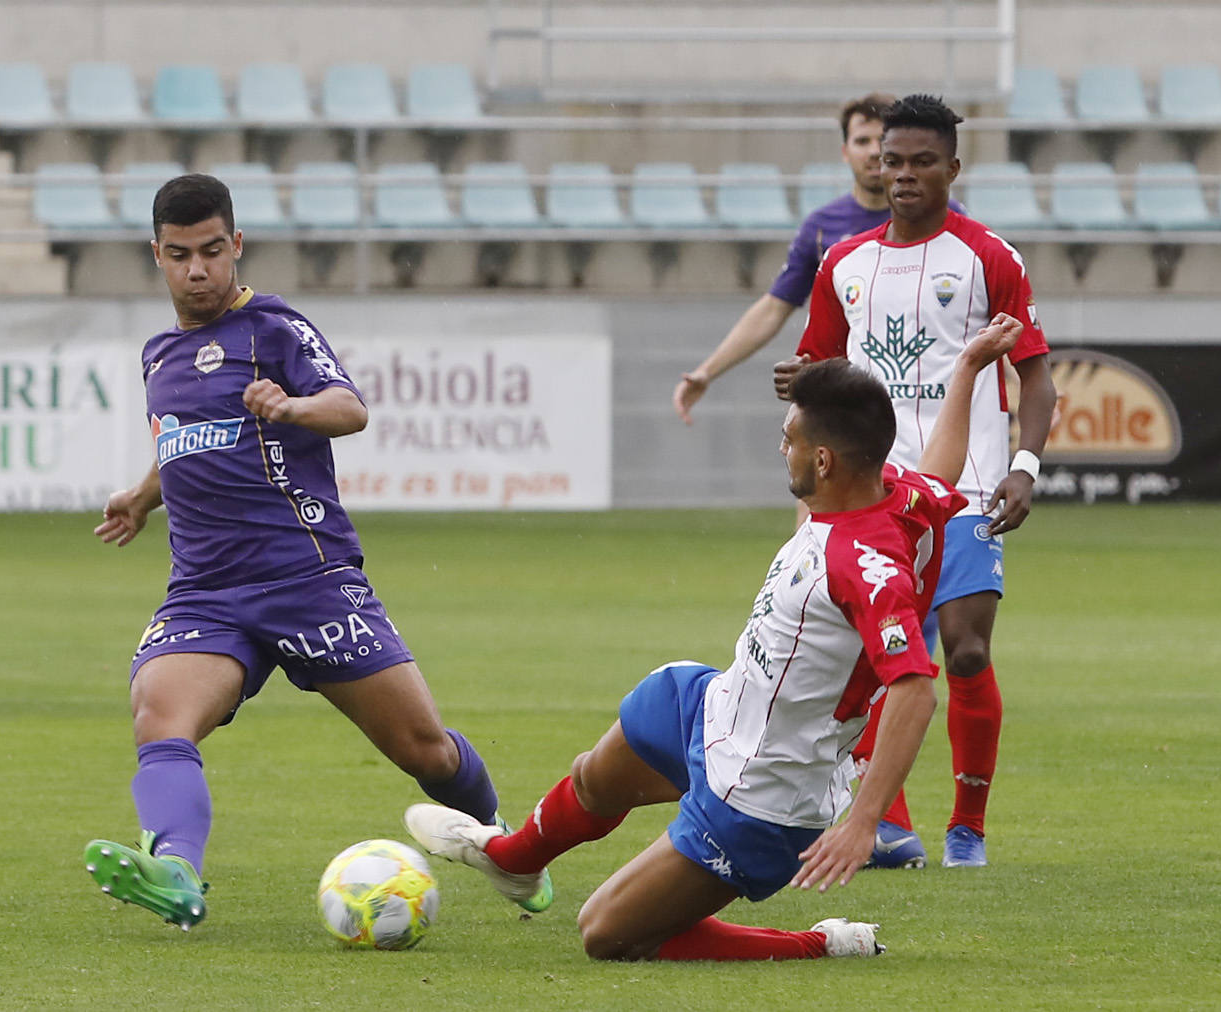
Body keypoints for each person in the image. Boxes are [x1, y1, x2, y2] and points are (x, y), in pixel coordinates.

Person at [404, 315, 1023, 962]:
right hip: (716, 706)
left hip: (764, 793)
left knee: (606, 933)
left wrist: (864, 823)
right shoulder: (900, 493)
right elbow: (943, 474)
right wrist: (967, 369)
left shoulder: (866, 568)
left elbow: (916, 689)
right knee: (599, 772)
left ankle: (818, 942)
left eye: (787, 439)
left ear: (823, 460)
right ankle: (511, 860)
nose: (779, 448)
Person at [82, 173, 550, 929]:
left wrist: (292, 406)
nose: (196, 270)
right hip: (206, 593)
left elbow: (350, 407)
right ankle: (174, 870)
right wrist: (143, 495)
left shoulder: (274, 329)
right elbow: (183, 440)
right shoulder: (159, 354)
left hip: (308, 580)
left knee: (425, 750)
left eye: (210, 251)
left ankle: (510, 848)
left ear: (236, 245)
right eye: (179, 255)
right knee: (159, 715)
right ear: (157, 255)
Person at [773, 94, 1058, 870]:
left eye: (920, 161)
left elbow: (1036, 378)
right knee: (871, 656)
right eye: (890, 160)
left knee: (963, 651)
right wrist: (799, 381)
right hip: (872, 498)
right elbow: (818, 373)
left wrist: (1025, 467)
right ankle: (889, 825)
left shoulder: (987, 257)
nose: (901, 174)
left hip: (967, 488)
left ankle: (968, 824)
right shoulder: (845, 262)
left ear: (952, 168)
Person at [673, 92, 963, 426]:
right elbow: (773, 307)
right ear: (844, 152)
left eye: (880, 141)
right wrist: (707, 372)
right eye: (861, 140)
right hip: (851, 411)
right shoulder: (823, 228)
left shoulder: (947, 219)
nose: (872, 151)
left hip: (930, 403)